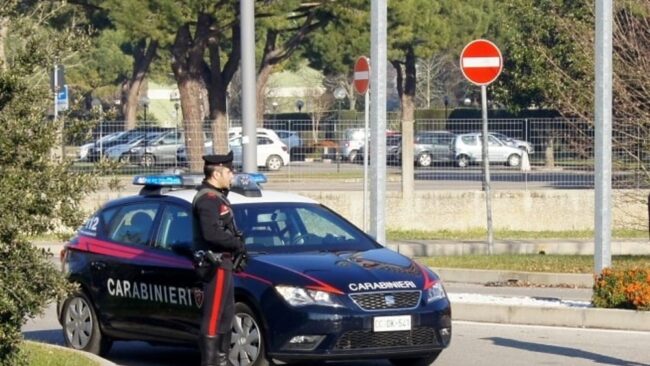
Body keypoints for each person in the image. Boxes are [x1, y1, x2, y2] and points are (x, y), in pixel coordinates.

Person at [192, 151, 245, 366]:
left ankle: (222, 361)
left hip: (225, 262)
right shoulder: (208, 199)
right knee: (214, 318)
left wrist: (240, 249)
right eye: (230, 171)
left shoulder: (218, 197)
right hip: (215, 264)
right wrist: (236, 244)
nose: (232, 175)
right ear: (217, 172)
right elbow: (211, 234)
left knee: (225, 316)